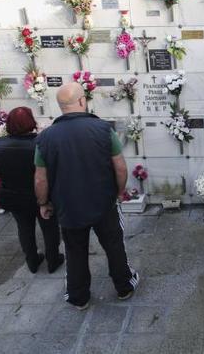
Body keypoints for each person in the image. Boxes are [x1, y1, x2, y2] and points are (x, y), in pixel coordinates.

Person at [34, 83, 139, 310]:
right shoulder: (102, 129)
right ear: (82, 101)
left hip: (68, 206)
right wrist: (119, 192)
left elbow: (40, 178)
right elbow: (120, 167)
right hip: (103, 202)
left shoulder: (46, 137)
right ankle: (124, 287)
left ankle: (78, 297)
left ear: (61, 106)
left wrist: (43, 203)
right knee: (114, 245)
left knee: (74, 251)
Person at [0, 107, 63, 273]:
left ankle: (32, 261)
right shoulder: (40, 143)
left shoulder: (0, 145)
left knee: (24, 228)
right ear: (31, 122)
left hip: (15, 196)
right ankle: (53, 260)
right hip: (41, 195)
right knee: (49, 228)